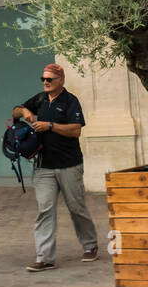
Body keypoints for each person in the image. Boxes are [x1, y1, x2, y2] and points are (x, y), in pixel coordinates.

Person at [15, 62, 98, 271]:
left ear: (60, 80)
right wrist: (25, 112)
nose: (45, 82)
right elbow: (16, 110)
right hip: (43, 167)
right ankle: (45, 257)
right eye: (43, 79)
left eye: (49, 79)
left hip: (69, 164)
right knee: (45, 210)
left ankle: (90, 246)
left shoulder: (70, 101)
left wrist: (50, 126)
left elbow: (76, 130)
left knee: (76, 208)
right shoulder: (40, 99)